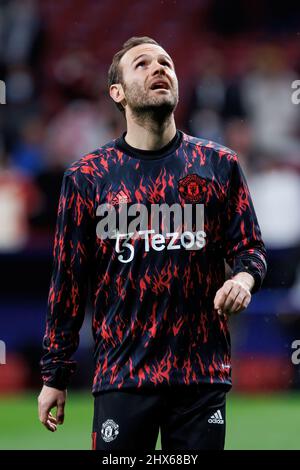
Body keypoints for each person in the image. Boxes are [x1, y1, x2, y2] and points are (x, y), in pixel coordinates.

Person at [38, 36, 267, 451]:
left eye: (166, 62)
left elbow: (250, 249)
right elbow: (67, 284)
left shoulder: (220, 165)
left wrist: (244, 280)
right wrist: (55, 375)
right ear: (118, 93)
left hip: (200, 375)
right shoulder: (87, 177)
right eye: (142, 64)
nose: (159, 68)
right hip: (122, 375)